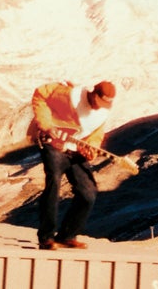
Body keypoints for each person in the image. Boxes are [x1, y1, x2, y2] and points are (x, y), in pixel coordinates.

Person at [27, 80, 116, 250]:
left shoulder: (101, 113)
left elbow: (95, 135)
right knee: (54, 180)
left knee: (88, 192)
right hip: (52, 142)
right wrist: (46, 124)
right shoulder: (68, 95)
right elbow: (40, 95)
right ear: (92, 93)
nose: (99, 107)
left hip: (75, 149)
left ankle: (67, 236)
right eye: (99, 102)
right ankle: (46, 237)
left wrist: (92, 149)